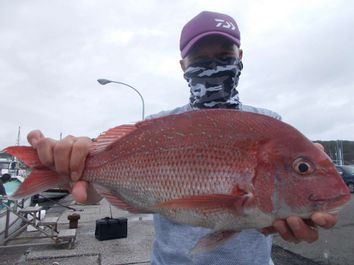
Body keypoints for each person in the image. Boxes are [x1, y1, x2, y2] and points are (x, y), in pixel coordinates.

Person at [27, 11, 337, 265]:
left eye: (224, 54)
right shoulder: (156, 125)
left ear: (240, 56)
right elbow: (94, 195)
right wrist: (76, 174)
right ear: (183, 67)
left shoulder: (270, 124)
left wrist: (306, 192)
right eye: (200, 59)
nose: (213, 65)